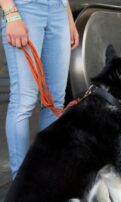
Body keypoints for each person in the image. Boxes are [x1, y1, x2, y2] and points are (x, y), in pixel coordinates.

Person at [0, 0, 79, 179]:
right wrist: (10, 13)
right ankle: (20, 185)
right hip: (25, 8)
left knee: (55, 102)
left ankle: (46, 179)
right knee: (24, 100)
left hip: (58, 9)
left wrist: (68, 18)